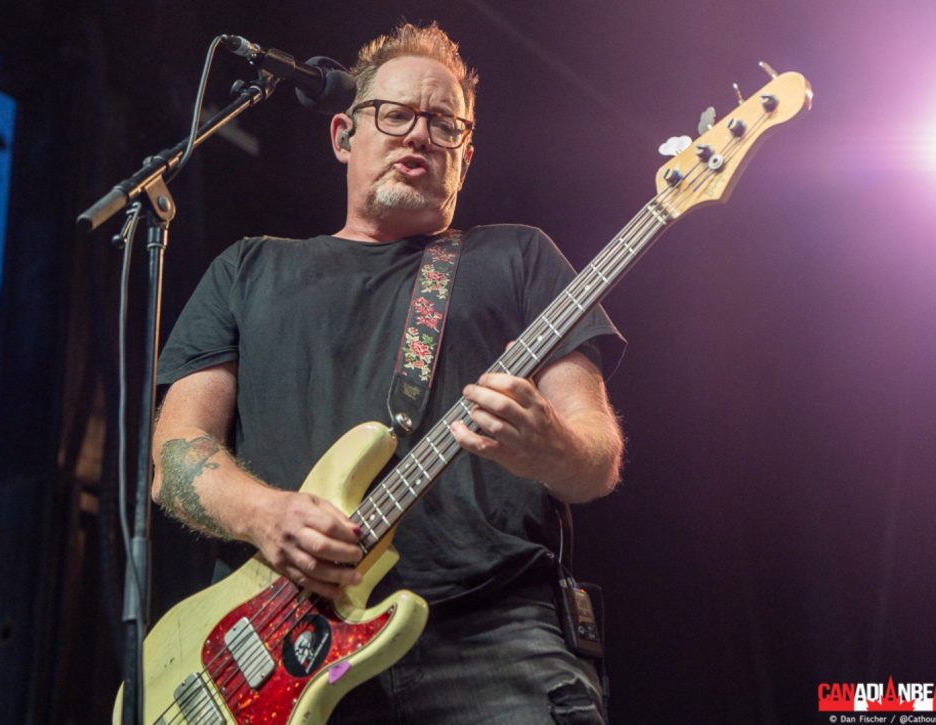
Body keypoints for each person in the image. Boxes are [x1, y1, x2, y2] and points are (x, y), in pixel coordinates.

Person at [153, 21, 625, 724]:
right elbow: (175, 454)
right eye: (396, 114)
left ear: (465, 155)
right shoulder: (247, 269)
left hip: (491, 643)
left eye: (444, 124)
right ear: (343, 134)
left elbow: (596, 458)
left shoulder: (519, 258)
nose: (420, 135)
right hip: (284, 651)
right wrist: (265, 515)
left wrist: (550, 446)